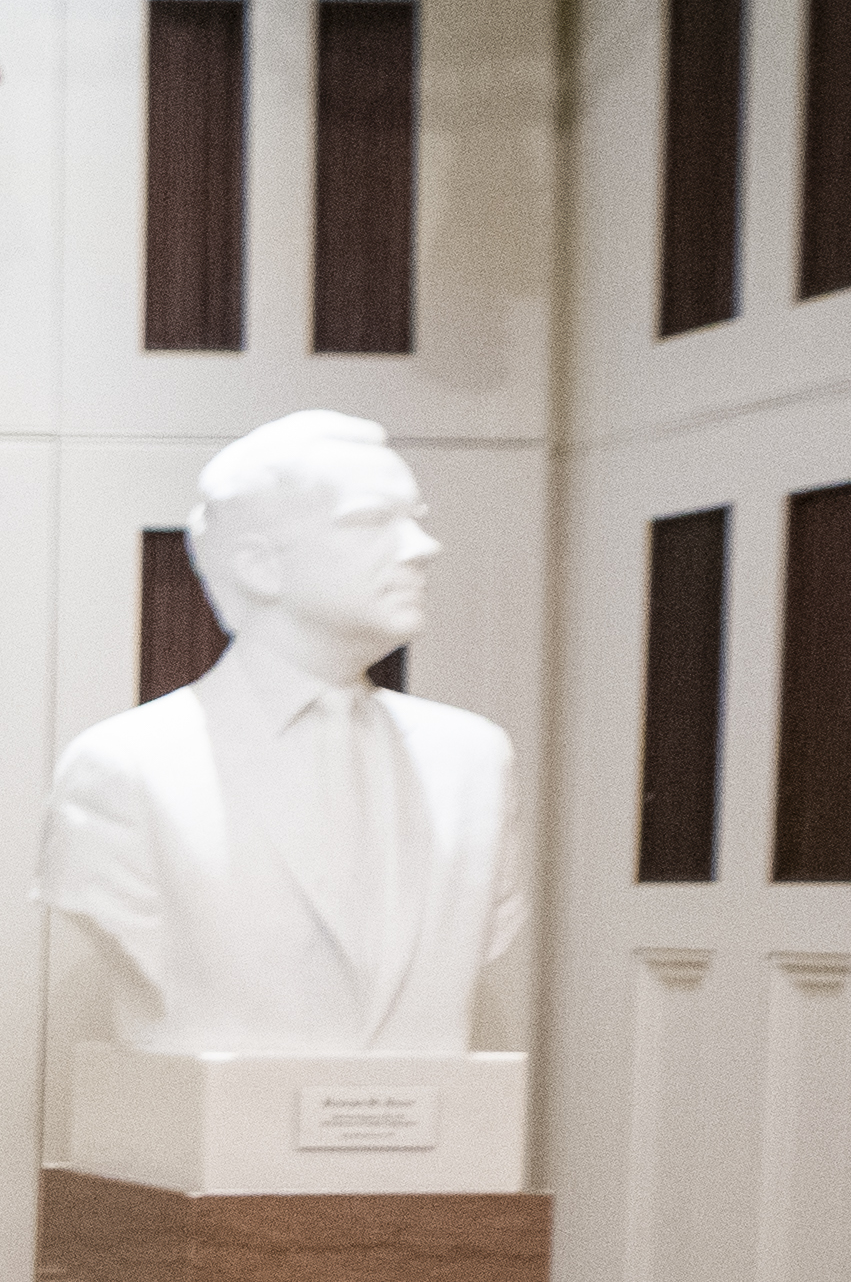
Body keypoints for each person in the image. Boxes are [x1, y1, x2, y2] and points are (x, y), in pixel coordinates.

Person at [40, 410, 529, 1056]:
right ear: (258, 565)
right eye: (370, 522)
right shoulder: (122, 768)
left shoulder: (473, 761)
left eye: (414, 518)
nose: (421, 547)